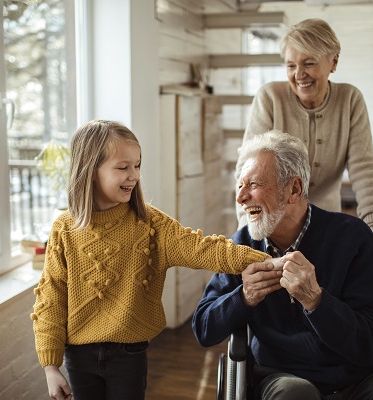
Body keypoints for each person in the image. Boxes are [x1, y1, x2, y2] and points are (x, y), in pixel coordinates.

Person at [193, 130, 373, 399]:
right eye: (240, 186)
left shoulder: (353, 236)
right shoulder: (242, 247)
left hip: (366, 378)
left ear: (294, 189)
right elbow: (203, 327)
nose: (241, 197)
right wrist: (244, 297)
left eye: (253, 185)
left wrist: (317, 302)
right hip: (286, 378)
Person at [30, 120, 269, 400]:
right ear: (90, 170)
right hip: (77, 356)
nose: (134, 175)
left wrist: (263, 260)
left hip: (129, 355)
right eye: (123, 167)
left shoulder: (151, 224)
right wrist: (50, 366)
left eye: (137, 165)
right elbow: (50, 299)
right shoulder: (64, 229)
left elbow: (203, 249)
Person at [236, 18, 373, 252]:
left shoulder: (350, 100)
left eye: (308, 63)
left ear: (333, 61)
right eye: (291, 66)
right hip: (275, 229)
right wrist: (248, 234)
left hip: (327, 226)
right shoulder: (270, 98)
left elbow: (364, 168)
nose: (299, 75)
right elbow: (246, 170)